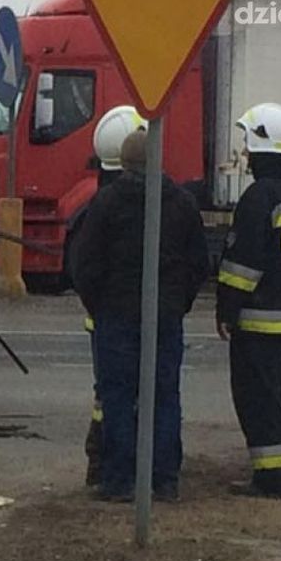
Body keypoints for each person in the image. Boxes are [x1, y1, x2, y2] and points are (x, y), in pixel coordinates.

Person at [73, 131, 209, 502]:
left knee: (118, 396)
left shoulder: (107, 202)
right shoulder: (181, 202)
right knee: (164, 395)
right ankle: (164, 481)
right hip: (165, 316)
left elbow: (85, 264)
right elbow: (199, 262)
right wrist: (178, 303)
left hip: (116, 316)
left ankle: (119, 481)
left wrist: (97, 306)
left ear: (124, 162)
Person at [217, 103, 281, 499]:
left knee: (258, 398)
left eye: (247, 142)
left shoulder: (261, 196)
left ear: (260, 142)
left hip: (258, 320)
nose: (244, 153)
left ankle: (271, 479)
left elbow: (242, 263)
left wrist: (226, 309)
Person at [71, 105, 148, 488]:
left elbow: (84, 270)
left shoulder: (99, 204)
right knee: (135, 392)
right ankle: (121, 462)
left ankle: (103, 463)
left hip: (104, 320)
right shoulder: (149, 203)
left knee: (109, 394)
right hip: (129, 319)